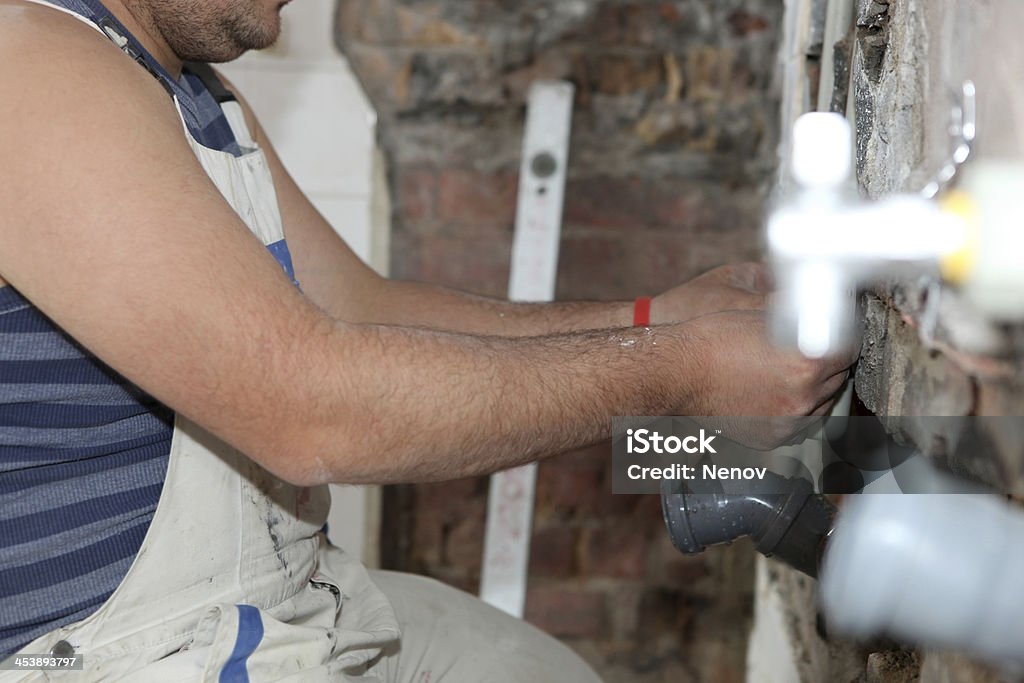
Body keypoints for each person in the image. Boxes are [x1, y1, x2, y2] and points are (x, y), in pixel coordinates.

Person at [0, 0, 856, 680]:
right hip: (117, 652)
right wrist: (683, 370)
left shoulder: (194, 96)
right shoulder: (31, 65)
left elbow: (363, 311)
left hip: (284, 604)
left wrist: (655, 320)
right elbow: (311, 409)